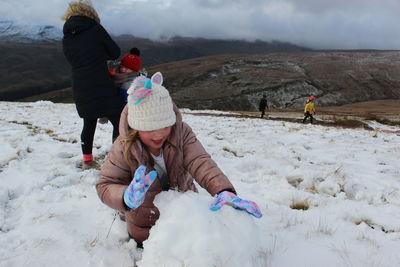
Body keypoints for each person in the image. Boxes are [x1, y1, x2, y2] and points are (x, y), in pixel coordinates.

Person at [96, 72, 262, 248]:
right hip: (144, 226)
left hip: (185, 219)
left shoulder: (181, 133)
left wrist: (223, 190)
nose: (159, 134)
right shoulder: (123, 147)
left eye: (165, 126)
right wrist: (126, 198)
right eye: (150, 128)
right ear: (136, 126)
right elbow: (105, 185)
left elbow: (200, 161)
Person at [62, 0, 123, 168]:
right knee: (118, 120)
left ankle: (87, 161)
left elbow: (73, 59)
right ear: (90, 14)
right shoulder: (96, 29)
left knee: (89, 122)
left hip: (80, 85)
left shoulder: (67, 36)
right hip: (101, 82)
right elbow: (115, 52)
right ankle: (116, 161)